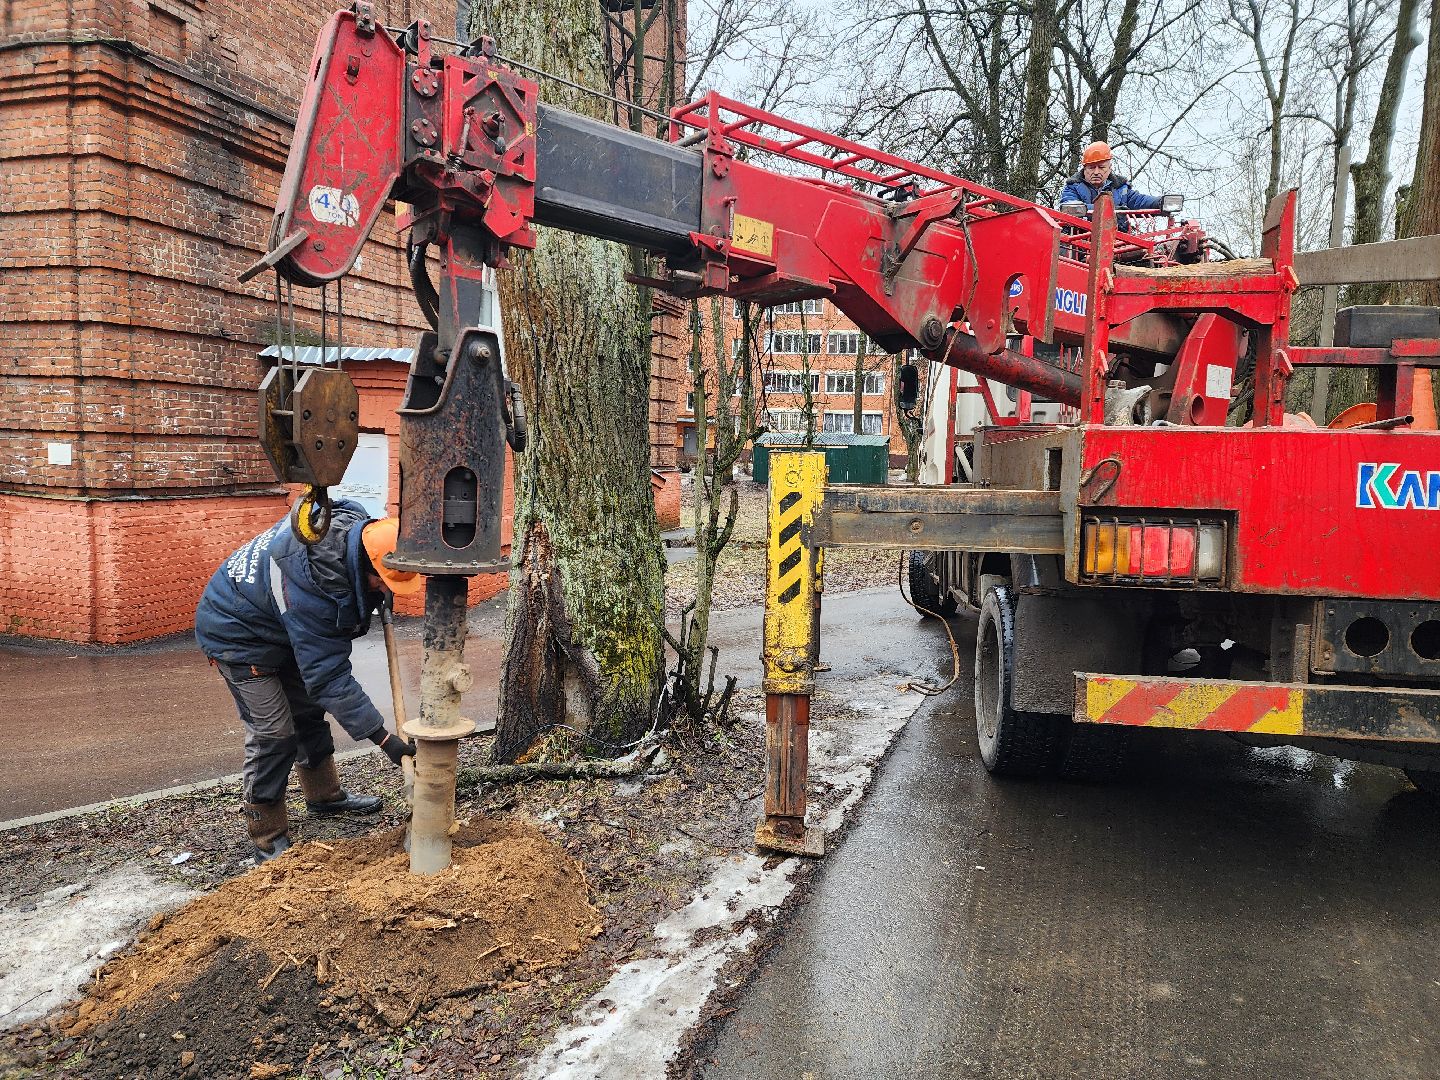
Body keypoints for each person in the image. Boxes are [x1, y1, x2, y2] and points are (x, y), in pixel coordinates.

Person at [195, 501, 420, 862]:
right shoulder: (315, 589)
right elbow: (328, 676)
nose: (385, 588)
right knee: (274, 733)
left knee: (309, 712)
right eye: (382, 580)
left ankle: (325, 797)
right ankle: (266, 835)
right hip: (236, 634)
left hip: (280, 626)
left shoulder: (354, 531)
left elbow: (321, 678)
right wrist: (383, 738)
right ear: (364, 565)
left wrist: (380, 590)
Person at [1058, 141, 1163, 232]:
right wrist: (1112, 211)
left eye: (1101, 167)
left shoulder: (1120, 188)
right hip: (1081, 241)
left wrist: (1159, 202)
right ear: (1084, 169)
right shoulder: (1072, 187)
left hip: (1117, 240)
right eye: (1091, 167)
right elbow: (1070, 207)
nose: (1096, 172)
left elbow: (1140, 201)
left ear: (1109, 168)